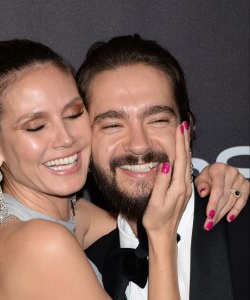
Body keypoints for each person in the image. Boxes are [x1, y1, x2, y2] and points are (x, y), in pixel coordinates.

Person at [0, 39, 247, 299]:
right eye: (36, 126)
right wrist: (161, 237)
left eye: (73, 114)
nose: (65, 139)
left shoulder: (58, 218)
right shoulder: (42, 245)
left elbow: (123, 218)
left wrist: (213, 180)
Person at [76, 34, 250, 300]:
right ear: (85, 143)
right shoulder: (83, 266)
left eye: (157, 120)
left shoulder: (242, 229)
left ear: (187, 129)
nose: (139, 145)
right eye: (112, 125)